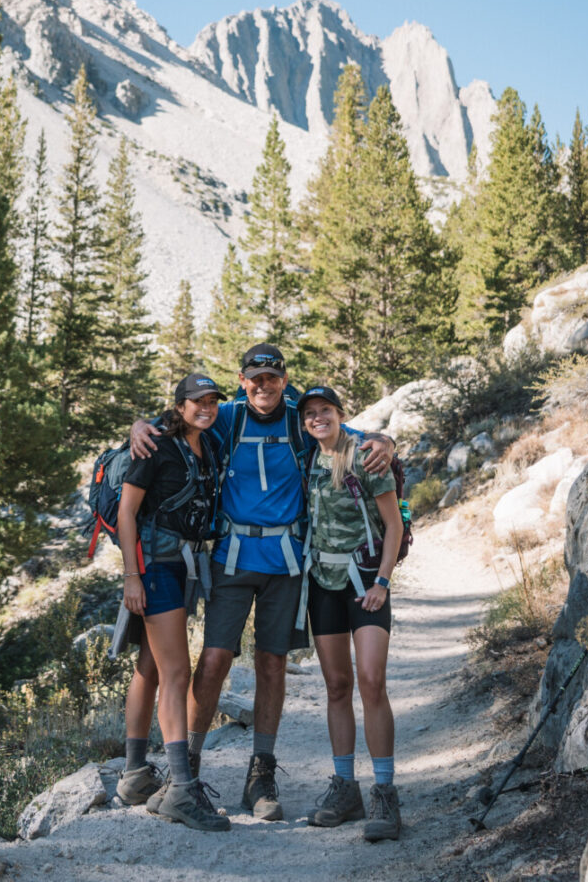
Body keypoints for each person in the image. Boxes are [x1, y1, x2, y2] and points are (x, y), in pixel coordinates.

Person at [131, 344, 395, 821]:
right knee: (212, 662)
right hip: (232, 558)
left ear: (283, 380)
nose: (264, 386)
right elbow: (178, 421)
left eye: (272, 378)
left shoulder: (299, 418)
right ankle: (184, 771)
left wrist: (384, 440)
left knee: (272, 665)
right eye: (256, 377)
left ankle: (261, 775)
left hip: (287, 560)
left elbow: (344, 433)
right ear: (242, 378)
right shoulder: (228, 417)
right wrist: (139, 426)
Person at [114, 373, 230, 832]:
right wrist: (132, 576)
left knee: (149, 666)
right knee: (177, 672)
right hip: (155, 568)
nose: (206, 407)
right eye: (197, 401)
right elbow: (126, 512)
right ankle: (180, 788)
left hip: (183, 567)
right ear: (179, 405)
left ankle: (136, 774)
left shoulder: (209, 443)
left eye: (212, 401)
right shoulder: (155, 446)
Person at [296, 385, 404, 842]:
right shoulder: (308, 458)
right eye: (310, 414)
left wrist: (382, 582)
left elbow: (394, 524)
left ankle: (385, 791)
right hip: (323, 584)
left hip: (365, 582)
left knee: (371, 681)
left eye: (326, 411)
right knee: (337, 686)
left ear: (341, 414)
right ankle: (345, 787)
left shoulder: (365, 456)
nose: (318, 419)